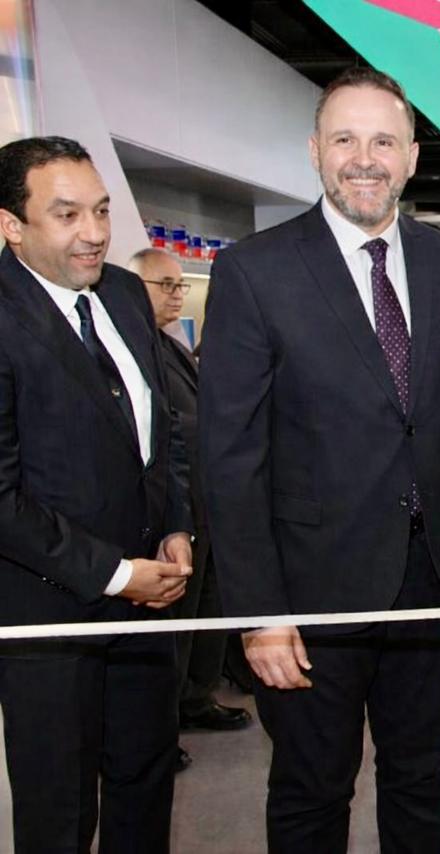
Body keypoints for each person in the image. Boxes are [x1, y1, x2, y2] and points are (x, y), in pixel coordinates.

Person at [199, 67, 440, 853]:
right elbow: (230, 457)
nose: (365, 159)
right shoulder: (254, 270)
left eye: (384, 141)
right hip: (309, 592)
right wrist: (260, 613)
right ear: (315, 150)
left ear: (412, 158)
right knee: (312, 790)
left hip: (433, 580)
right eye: (346, 139)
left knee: (421, 779)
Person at [0, 136, 193, 853]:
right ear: (11, 225)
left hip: (148, 612)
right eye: (67, 214)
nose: (94, 232)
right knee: (60, 812)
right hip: (49, 622)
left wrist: (176, 524)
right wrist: (115, 575)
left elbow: (162, 431)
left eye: (103, 211)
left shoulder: (122, 293)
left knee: (146, 789)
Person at [130, 248, 252, 770]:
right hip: (175, 507)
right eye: (166, 285)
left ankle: (196, 698)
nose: (178, 295)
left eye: (180, 285)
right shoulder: (133, 347)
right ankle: (163, 723)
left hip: (208, 499)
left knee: (209, 606)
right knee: (177, 620)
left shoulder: (173, 344)